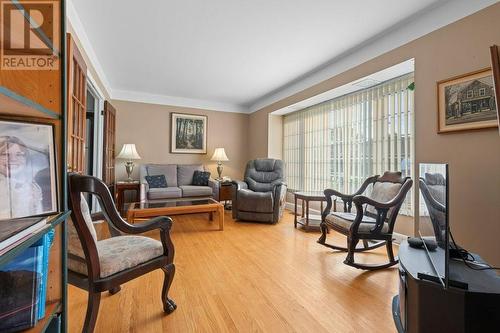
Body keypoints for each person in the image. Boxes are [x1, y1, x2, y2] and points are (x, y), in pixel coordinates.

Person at [0, 136, 43, 219]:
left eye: (19, 155)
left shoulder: (33, 187)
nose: (13, 159)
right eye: (5, 154)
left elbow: (38, 216)